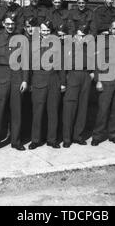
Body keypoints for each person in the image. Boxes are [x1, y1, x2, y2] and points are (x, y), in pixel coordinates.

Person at [0, 12, 28, 152]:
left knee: (17, 111)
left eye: (13, 24)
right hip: (1, 75)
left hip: (17, 76)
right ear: (3, 24)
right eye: (8, 24)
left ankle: (15, 141)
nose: (10, 26)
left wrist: (25, 80)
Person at [29, 20, 65, 149]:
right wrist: (29, 82)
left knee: (53, 111)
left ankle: (52, 139)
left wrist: (62, 82)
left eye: (48, 31)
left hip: (53, 79)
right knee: (37, 112)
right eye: (43, 31)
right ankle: (35, 140)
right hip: (38, 78)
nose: (46, 33)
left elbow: (61, 64)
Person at [61, 23, 94, 147]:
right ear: (75, 35)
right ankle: (67, 138)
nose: (82, 38)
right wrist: (63, 82)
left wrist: (92, 73)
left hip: (85, 76)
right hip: (73, 75)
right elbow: (63, 65)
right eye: (80, 35)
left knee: (82, 107)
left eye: (84, 35)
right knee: (69, 108)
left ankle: (77, 136)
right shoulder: (68, 45)